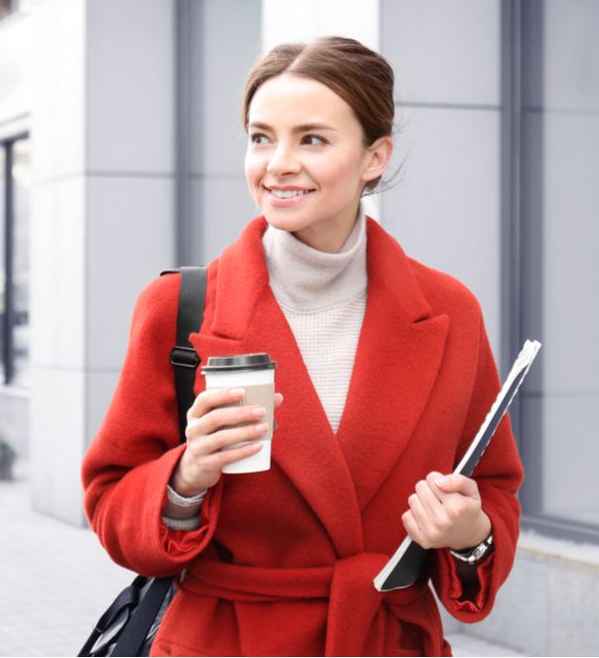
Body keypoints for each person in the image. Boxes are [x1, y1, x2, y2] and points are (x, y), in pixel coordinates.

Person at [81, 36, 524, 656]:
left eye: (311, 139)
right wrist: (186, 476)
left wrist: (470, 532)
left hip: (384, 639)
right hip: (224, 640)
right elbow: (111, 497)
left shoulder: (450, 312)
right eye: (261, 137)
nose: (277, 163)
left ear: (375, 157)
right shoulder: (178, 311)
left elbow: (495, 487)